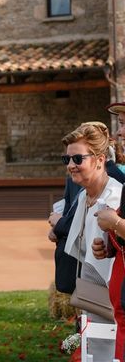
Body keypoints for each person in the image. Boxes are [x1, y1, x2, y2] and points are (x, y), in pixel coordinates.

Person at [62, 122, 121, 360]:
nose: (71, 166)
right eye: (66, 159)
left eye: (77, 159)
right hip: (92, 300)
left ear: (99, 159)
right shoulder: (84, 196)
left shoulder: (115, 197)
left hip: (113, 304)